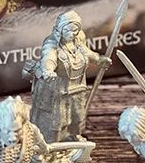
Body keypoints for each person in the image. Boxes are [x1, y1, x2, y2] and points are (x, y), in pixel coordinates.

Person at [27, 10, 108, 143]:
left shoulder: (78, 39)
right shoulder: (51, 43)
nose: (72, 34)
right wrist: (48, 70)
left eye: (75, 30)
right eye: (68, 31)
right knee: (58, 119)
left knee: (77, 114)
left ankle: (74, 135)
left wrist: (98, 59)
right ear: (60, 29)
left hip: (77, 87)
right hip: (58, 89)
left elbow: (86, 52)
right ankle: (52, 142)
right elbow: (49, 58)